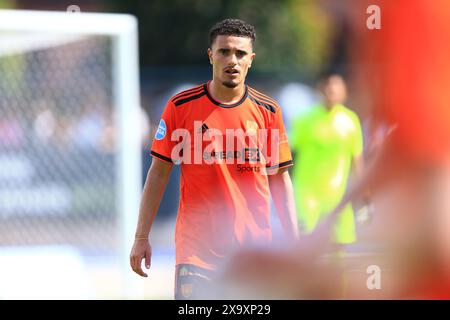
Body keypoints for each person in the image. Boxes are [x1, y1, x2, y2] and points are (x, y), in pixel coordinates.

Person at [129, 18, 298, 299]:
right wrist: (141, 237)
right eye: (224, 52)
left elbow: (280, 180)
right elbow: (158, 173)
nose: (232, 60)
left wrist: (294, 244)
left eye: (240, 53)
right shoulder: (180, 107)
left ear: (251, 60)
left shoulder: (268, 111)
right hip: (196, 252)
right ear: (211, 55)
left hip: (252, 253)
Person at [289, 73, 364, 246]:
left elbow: (357, 159)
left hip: (338, 196)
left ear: (344, 92)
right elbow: (289, 154)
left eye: (336, 88)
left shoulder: (351, 120)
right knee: (306, 245)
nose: (332, 92)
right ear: (321, 90)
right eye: (328, 88)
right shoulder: (304, 120)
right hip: (307, 195)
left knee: (339, 247)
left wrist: (364, 196)